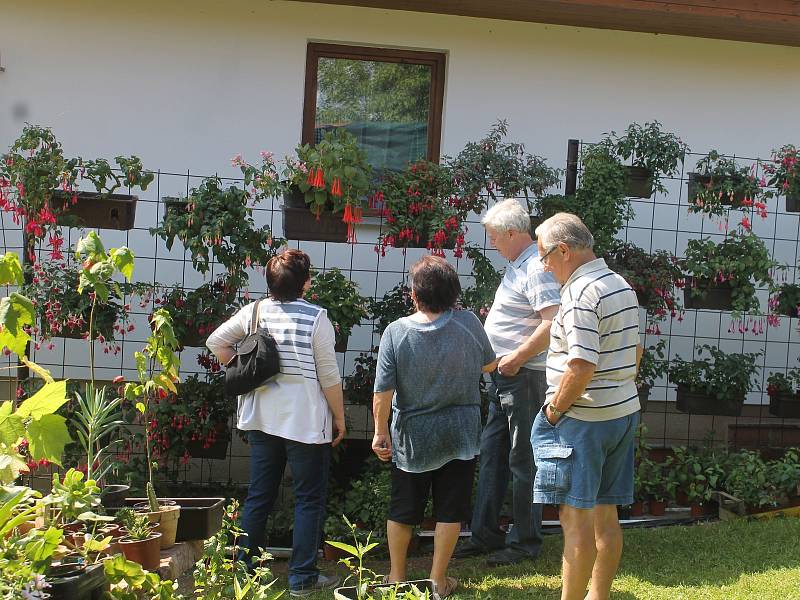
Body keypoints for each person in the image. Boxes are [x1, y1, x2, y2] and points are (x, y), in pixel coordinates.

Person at [206, 249, 345, 598]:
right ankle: (302, 578)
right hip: (306, 421)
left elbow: (215, 342)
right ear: (305, 283)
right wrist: (340, 418)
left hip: (261, 417)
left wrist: (240, 365)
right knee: (308, 499)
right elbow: (328, 375)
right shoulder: (317, 318)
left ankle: (246, 572)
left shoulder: (253, 312)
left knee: (260, 495)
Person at [372, 255, 497, 598]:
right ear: (453, 292)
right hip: (460, 432)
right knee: (450, 509)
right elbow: (489, 364)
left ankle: (396, 578)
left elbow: (383, 392)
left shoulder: (397, 332)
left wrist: (380, 432)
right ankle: (438, 581)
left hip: (413, 437)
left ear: (415, 294)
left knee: (403, 508)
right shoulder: (470, 322)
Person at [532, 213, 642, 600]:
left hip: (583, 418)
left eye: (544, 255)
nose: (543, 265)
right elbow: (636, 351)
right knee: (606, 516)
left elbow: (580, 364)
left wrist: (554, 411)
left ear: (563, 250)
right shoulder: (620, 285)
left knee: (574, 522)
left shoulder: (580, 294)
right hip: (622, 412)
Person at [455, 198, 560, 566]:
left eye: (495, 237)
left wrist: (516, 358)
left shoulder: (536, 267)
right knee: (494, 455)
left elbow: (553, 321)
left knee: (521, 459)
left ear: (513, 233)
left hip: (524, 377)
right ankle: (485, 535)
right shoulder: (520, 263)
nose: (493, 244)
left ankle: (525, 541)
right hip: (505, 377)